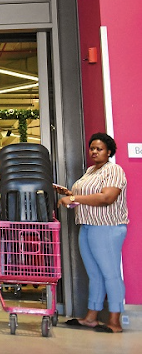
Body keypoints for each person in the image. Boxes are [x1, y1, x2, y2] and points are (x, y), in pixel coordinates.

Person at [56, 132, 128, 334]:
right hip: (87, 225)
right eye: (92, 148)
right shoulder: (90, 171)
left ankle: (115, 321)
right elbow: (86, 197)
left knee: (110, 275)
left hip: (107, 227)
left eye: (100, 149)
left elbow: (107, 197)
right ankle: (91, 318)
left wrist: (74, 199)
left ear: (109, 151)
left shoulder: (113, 170)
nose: (94, 152)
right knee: (94, 275)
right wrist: (71, 195)